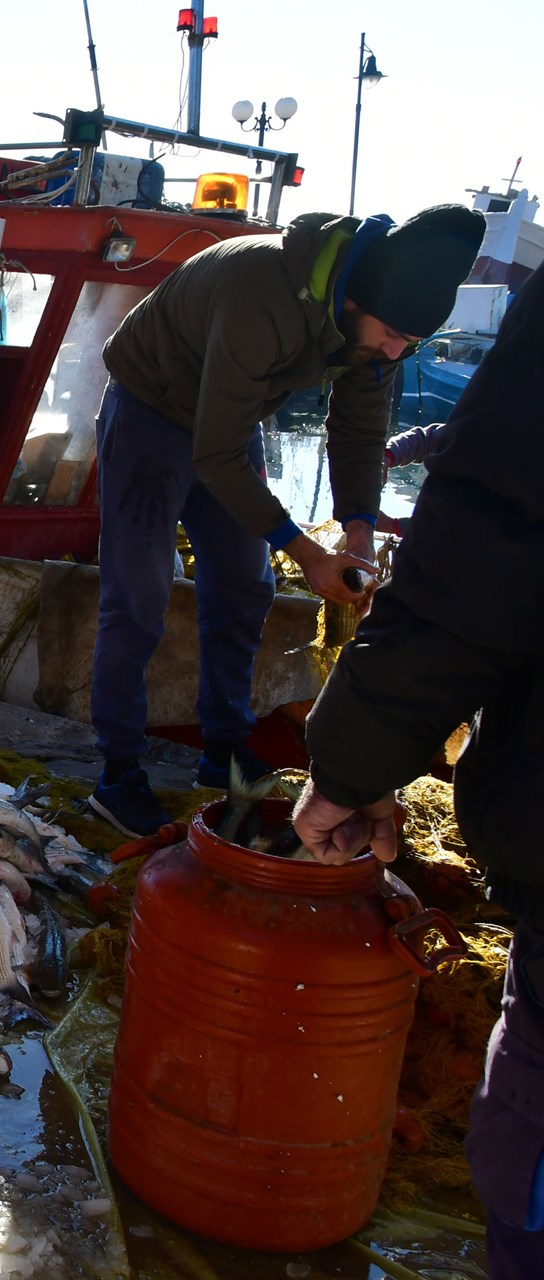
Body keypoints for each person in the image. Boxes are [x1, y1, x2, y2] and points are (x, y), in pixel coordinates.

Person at [86, 203, 484, 838]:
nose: (396, 350)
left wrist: (358, 532)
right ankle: (117, 772)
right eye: (392, 334)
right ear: (354, 300)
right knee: (138, 594)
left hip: (231, 421)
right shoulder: (261, 288)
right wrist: (309, 555)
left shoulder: (379, 328)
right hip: (149, 412)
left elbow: (359, 432)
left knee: (246, 585)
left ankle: (224, 748)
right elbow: (215, 454)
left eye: (411, 342)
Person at [292, 275, 542, 1280]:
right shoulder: (254, 307)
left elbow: (484, 560)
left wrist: (352, 763)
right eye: (392, 333)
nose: (400, 353)